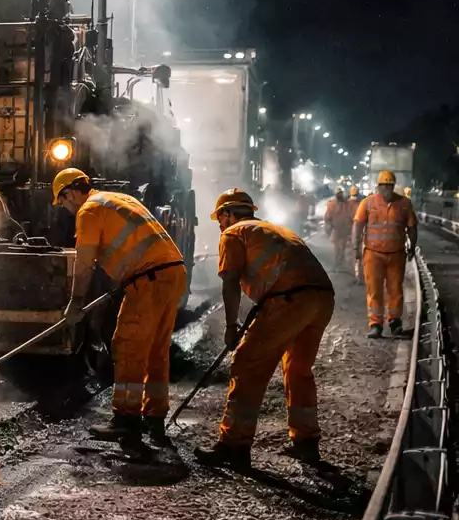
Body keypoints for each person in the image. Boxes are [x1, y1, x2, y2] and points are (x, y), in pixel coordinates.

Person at [196, 189, 334, 469]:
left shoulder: (234, 233)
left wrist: (232, 325)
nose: (220, 224)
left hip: (290, 300)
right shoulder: (273, 229)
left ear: (228, 214)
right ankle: (306, 442)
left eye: (220, 218)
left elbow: (231, 281)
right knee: (298, 370)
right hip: (321, 298)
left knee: (247, 364)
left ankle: (234, 446)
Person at [54, 168, 188, 450]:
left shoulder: (88, 211)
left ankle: (126, 419)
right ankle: (154, 417)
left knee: (127, 345)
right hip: (172, 272)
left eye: (63, 200)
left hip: (148, 279)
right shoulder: (117, 199)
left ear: (73, 192)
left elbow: (84, 263)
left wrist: (75, 303)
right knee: (155, 350)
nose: (65, 208)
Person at [353, 170, 417, 338]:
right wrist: (355, 248)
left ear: (393, 186)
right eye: (384, 186)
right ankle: (375, 324)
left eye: (389, 186)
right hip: (373, 254)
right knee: (374, 290)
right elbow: (358, 225)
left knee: (395, 290)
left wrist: (412, 247)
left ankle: (395, 323)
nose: (386, 189)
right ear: (378, 186)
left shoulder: (404, 204)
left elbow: (411, 227)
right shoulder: (367, 203)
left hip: (396, 255)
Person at [323, 189, 353, 273]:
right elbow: (327, 217)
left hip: (344, 229)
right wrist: (329, 226)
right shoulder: (333, 204)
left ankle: (340, 262)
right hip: (337, 229)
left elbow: (351, 214)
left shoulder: (346, 203)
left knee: (342, 246)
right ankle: (338, 263)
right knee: (338, 247)